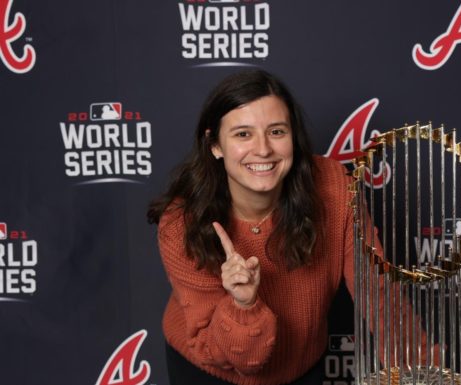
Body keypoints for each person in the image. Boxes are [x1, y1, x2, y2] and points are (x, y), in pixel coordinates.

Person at [147, 69, 366, 385]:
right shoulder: (182, 223)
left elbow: (378, 290)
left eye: (277, 131)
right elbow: (237, 359)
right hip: (211, 369)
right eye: (242, 134)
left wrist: (420, 365)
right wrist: (243, 304)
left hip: (302, 366)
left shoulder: (334, 188)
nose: (263, 150)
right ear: (215, 145)